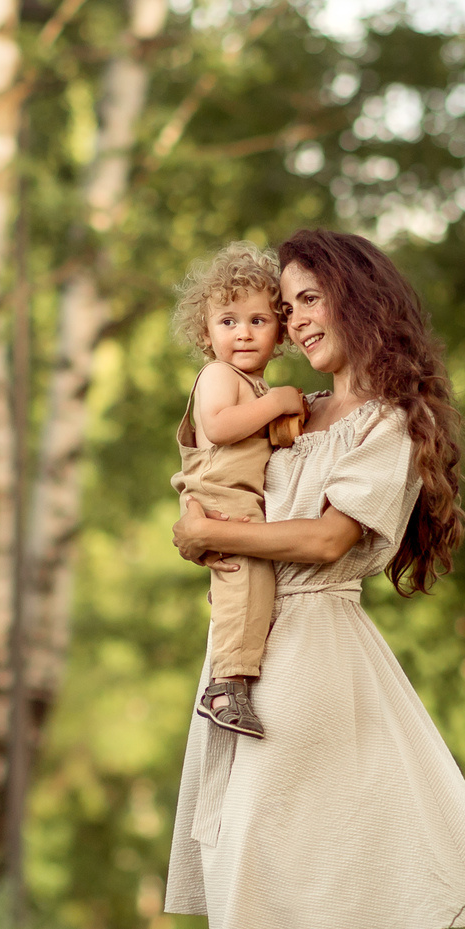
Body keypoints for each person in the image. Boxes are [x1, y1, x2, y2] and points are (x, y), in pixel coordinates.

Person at [168, 228, 465, 929]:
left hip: (315, 640)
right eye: (286, 305)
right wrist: (206, 523)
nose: (294, 318)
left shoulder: (386, 422)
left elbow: (329, 538)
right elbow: (226, 477)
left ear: (359, 303)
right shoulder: (290, 411)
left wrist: (216, 533)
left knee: (288, 835)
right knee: (246, 834)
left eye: (310, 298)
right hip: (247, 638)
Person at [169, 243, 307, 741]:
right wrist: (281, 402)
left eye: (258, 320)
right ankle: (225, 687)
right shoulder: (219, 375)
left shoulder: (254, 385)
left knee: (248, 586)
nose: (243, 333)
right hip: (220, 493)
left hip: (239, 498)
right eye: (228, 322)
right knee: (245, 580)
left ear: (281, 331)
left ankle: (234, 678)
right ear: (206, 333)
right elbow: (221, 427)